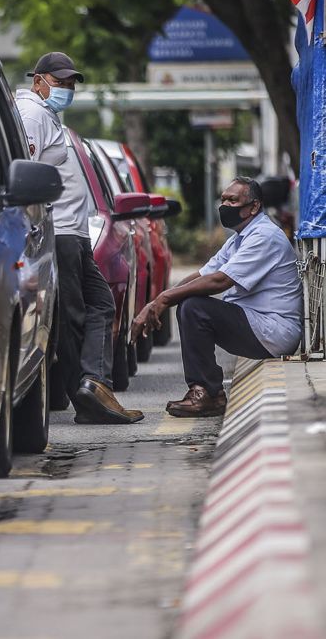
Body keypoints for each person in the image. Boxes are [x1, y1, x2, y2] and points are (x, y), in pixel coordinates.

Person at [16, 52, 143, 425]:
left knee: (99, 305)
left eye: (71, 83)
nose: (67, 89)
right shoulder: (32, 114)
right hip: (63, 233)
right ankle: (86, 393)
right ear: (38, 80)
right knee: (76, 316)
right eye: (60, 82)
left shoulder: (46, 114)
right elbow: (29, 171)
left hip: (73, 229)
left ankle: (94, 386)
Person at [132, 177, 302, 417]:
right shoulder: (238, 239)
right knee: (189, 303)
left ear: (254, 207)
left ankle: (208, 395)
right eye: (223, 199)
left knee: (194, 307)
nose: (225, 206)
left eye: (233, 200)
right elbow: (202, 275)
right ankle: (206, 391)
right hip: (257, 325)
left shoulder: (264, 236)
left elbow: (219, 281)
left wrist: (166, 300)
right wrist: (157, 300)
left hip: (274, 331)